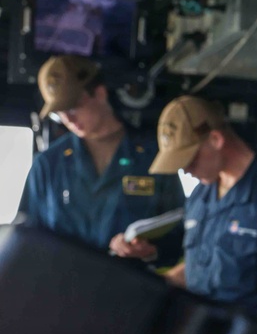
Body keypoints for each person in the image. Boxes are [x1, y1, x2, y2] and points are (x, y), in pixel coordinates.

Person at [148, 95, 257, 334]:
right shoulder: (200, 196)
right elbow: (199, 269)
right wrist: (148, 287)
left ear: (216, 139)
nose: (185, 170)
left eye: (190, 159)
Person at [18, 54, 184, 266]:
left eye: (72, 107)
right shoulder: (48, 165)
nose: (68, 119)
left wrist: (151, 251)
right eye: (60, 112)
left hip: (129, 289)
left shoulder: (153, 158)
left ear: (100, 93)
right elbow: (26, 237)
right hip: (63, 289)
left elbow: (178, 232)